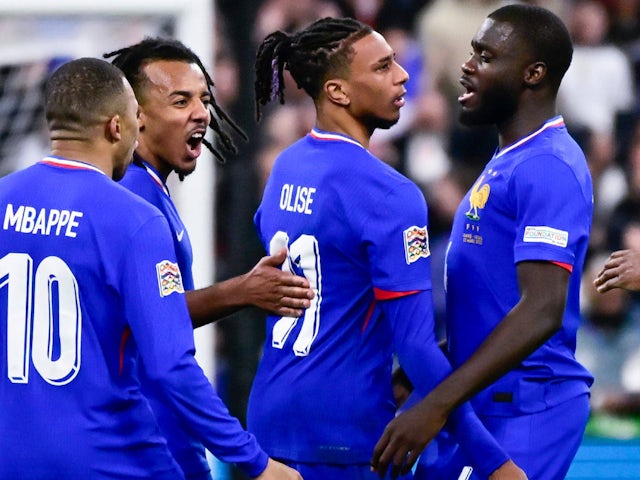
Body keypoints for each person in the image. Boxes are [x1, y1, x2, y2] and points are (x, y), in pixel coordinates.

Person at [249, 16, 526, 480]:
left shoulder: (286, 165)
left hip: (267, 423)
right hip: (343, 435)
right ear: (337, 91)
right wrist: (493, 461)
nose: (402, 76)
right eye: (382, 68)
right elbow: (415, 345)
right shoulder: (388, 193)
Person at [0, 57, 302, 480]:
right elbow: (170, 365)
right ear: (117, 127)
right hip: (112, 458)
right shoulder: (132, 218)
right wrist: (254, 461)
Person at [371, 5, 594, 480]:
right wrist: (424, 372)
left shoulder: (547, 167)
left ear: (533, 74)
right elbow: (496, 305)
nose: (468, 66)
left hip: (525, 411)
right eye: (472, 52)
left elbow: (541, 309)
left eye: (486, 56)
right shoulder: (510, 158)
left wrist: (437, 401)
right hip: (483, 404)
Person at [102, 38, 314, 480]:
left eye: (204, 98)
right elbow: (155, 335)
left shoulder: (145, 190)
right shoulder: (134, 199)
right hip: (146, 438)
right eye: (180, 100)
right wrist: (242, 291)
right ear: (133, 115)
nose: (201, 112)